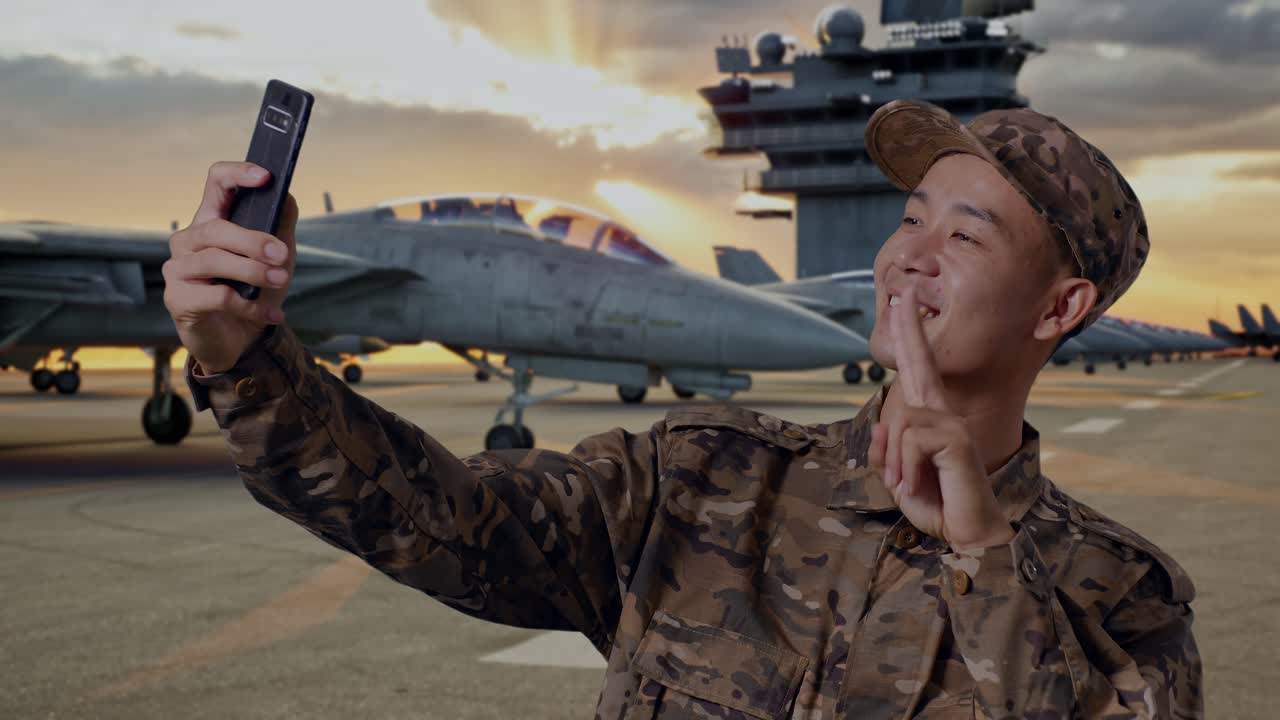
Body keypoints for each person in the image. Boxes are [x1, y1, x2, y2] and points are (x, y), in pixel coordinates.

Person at [163, 99, 1202, 719]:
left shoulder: (1122, 606)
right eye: (908, 219)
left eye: (963, 238)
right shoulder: (699, 483)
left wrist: (981, 556)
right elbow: (436, 521)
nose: (903, 258)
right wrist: (247, 357)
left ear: (1059, 307)